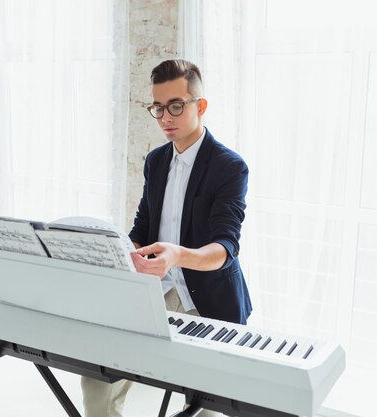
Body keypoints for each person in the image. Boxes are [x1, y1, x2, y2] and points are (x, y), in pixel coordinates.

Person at [81, 59, 252, 417]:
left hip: (207, 301)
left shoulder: (229, 167)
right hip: (154, 292)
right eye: (157, 108)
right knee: (97, 374)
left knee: (207, 407)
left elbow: (225, 248)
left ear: (200, 106)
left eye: (175, 105)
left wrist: (176, 256)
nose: (165, 118)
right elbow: (143, 227)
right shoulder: (156, 161)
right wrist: (121, 252)